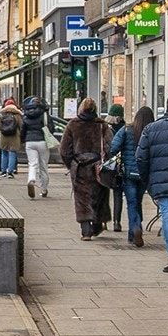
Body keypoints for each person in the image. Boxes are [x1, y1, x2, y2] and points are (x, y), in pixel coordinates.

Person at [136, 91, 168, 273]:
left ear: (167, 105)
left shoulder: (151, 129)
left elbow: (140, 158)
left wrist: (148, 182)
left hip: (160, 182)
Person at [59, 98, 110, 240]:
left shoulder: (73, 125)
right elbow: (108, 146)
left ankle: (86, 230)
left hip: (80, 166)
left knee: (81, 197)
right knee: (99, 194)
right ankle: (98, 224)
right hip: (97, 165)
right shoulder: (101, 125)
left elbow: (64, 149)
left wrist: (72, 163)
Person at [112, 105, 154, 248]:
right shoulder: (151, 132)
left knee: (132, 203)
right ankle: (133, 232)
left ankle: (135, 228)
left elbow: (114, 147)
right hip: (144, 174)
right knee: (138, 201)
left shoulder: (126, 129)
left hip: (128, 173)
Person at [102, 103, 128, 231]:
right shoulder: (125, 128)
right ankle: (117, 222)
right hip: (121, 165)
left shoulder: (106, 128)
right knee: (118, 194)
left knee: (104, 193)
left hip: (108, 164)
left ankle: (103, 221)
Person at [22, 95, 52, 199]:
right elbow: (51, 128)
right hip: (42, 141)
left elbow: (23, 130)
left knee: (32, 164)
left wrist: (23, 140)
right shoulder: (44, 115)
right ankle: (43, 190)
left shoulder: (25, 115)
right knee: (43, 166)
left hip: (30, 142)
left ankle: (31, 180)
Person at [0, 98, 23, 178]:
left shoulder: (1, 114)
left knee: (4, 153)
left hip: (3, 136)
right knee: (12, 153)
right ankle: (10, 172)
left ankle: (3, 171)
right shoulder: (17, 115)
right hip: (15, 137)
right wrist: (22, 137)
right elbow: (21, 126)